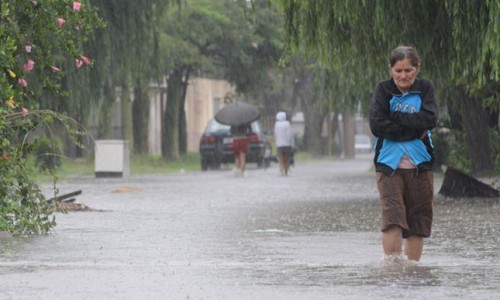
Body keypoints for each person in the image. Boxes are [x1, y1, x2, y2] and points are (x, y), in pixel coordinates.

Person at [368, 45, 438, 262]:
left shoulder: (425, 89)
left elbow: (429, 120)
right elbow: (377, 125)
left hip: (420, 165)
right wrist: (412, 129)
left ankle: (413, 272)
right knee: (393, 218)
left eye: (408, 70)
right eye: (398, 70)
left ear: (417, 68)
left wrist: (394, 117)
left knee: (418, 222)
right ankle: (393, 271)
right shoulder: (383, 90)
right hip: (389, 166)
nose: (403, 75)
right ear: (391, 69)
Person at [274, 111, 295, 176]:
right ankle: (286, 171)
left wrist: (276, 142)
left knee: (280, 158)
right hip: (287, 144)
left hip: (279, 144)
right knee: (286, 158)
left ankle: (281, 172)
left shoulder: (276, 124)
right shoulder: (287, 124)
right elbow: (289, 134)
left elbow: (275, 134)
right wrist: (291, 143)